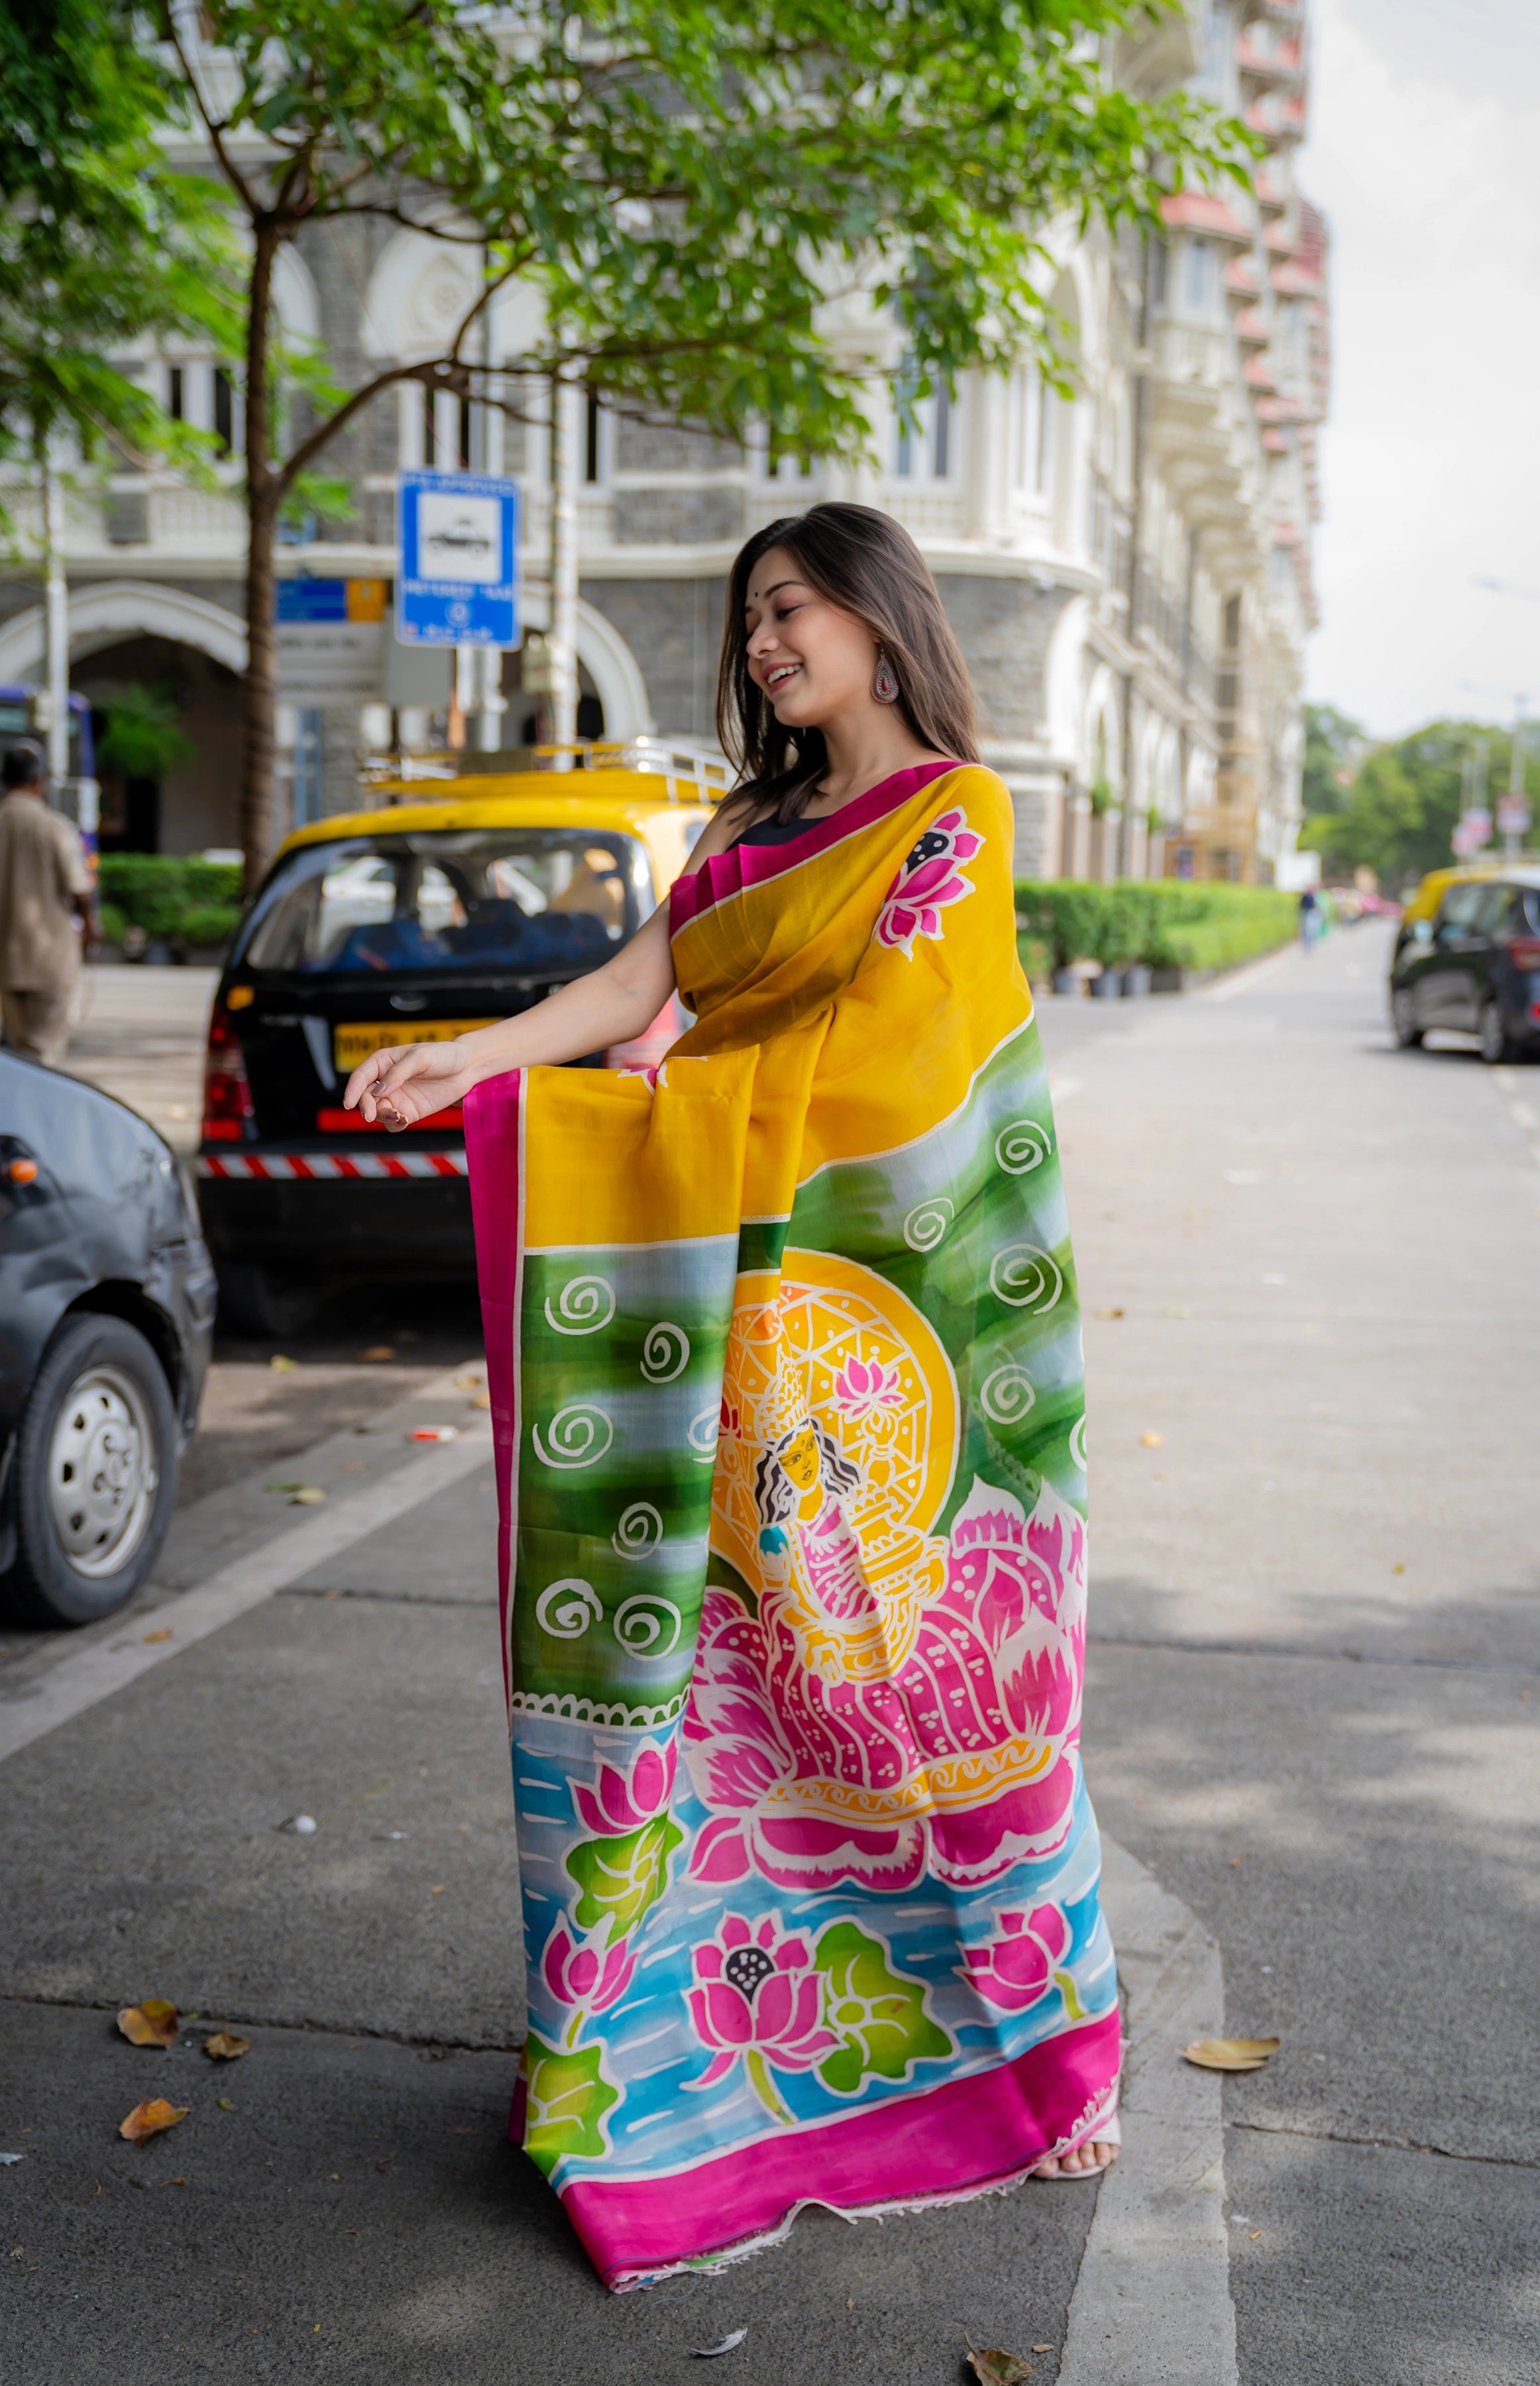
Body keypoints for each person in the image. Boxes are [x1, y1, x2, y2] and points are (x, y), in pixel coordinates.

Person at [346, 504, 1121, 2291]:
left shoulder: (956, 816)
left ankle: (1054, 2038)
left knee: (936, 1697)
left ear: (876, 612)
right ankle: (690, 2044)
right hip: (732, 1338)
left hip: (889, 1333)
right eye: (750, 619)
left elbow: (895, 1076)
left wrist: (660, 1119)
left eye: (792, 608)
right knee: (731, 1705)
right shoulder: (756, 829)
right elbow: (642, 986)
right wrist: (469, 1056)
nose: (766, 642)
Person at [0, 738, 97, 1067]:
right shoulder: (53, 827)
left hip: (5, 962)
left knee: (19, 1052)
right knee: (44, 1057)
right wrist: (90, 927)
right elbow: (80, 889)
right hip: (49, 961)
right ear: (39, 781)